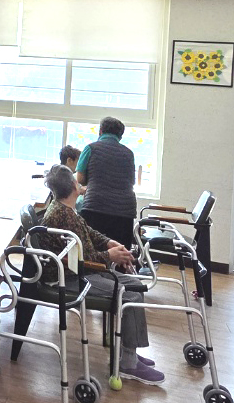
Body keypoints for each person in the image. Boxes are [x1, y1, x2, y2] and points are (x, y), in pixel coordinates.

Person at [41, 165, 163, 384]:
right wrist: (110, 256)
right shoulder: (64, 216)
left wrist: (108, 243)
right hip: (70, 278)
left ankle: (128, 351)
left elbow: (87, 232)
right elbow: (82, 259)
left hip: (78, 271)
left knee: (135, 286)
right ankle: (128, 363)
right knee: (130, 295)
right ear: (74, 186)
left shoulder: (64, 209)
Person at [75, 117, 137, 247]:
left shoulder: (90, 148)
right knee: (120, 251)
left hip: (96, 206)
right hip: (125, 210)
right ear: (120, 136)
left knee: (92, 249)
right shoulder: (129, 153)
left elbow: (80, 179)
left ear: (100, 131)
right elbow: (131, 181)